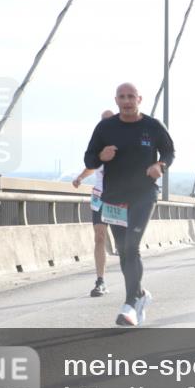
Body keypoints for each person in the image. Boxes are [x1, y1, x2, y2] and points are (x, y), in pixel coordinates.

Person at [84, 83, 174, 327]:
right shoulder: (105, 127)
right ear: (116, 100)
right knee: (123, 250)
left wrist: (160, 166)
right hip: (114, 198)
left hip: (144, 195)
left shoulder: (152, 126)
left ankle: (130, 304)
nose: (127, 101)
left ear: (139, 99)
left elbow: (169, 152)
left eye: (131, 96)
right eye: (122, 97)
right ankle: (140, 294)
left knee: (132, 246)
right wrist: (101, 157)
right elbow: (89, 157)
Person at [72, 109, 115, 296]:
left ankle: (133, 282)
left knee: (126, 243)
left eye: (109, 121)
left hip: (121, 198)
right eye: (102, 122)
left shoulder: (123, 143)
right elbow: (93, 166)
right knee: (99, 236)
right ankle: (100, 281)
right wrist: (81, 177)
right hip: (100, 196)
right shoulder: (97, 145)